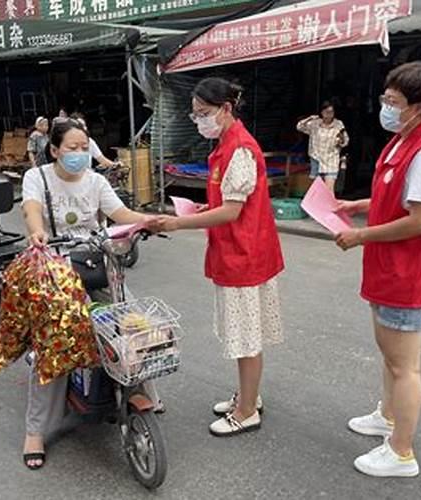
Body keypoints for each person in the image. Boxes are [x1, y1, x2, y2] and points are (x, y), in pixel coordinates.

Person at [334, 61, 421, 478]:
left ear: (418, 107)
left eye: (394, 101)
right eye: (385, 97)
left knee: (405, 366)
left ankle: (401, 451)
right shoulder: (401, 141)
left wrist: (361, 236)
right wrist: (357, 206)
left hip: (407, 274)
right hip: (387, 269)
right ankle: (387, 416)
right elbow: (393, 198)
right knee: (390, 356)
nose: (385, 106)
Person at [20, 119, 158, 469]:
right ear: (54, 150)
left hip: (99, 261)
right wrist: (37, 233)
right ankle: (35, 431)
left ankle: (141, 392)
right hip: (55, 266)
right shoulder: (37, 177)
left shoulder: (96, 181)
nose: (81, 154)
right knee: (56, 341)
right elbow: (31, 209)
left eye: (85, 148)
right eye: (73, 148)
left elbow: (120, 214)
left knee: (132, 323)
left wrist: (148, 221)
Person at [154, 78, 284, 437]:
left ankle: (246, 411)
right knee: (245, 335)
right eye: (194, 115)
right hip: (241, 251)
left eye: (204, 113)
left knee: (246, 337)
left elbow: (230, 212)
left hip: (245, 255)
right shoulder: (227, 143)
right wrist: (201, 207)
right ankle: (247, 396)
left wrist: (181, 222)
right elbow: (228, 203)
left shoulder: (239, 148)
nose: (199, 121)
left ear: (226, 109)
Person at [297, 100, 349, 191]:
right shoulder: (315, 123)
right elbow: (299, 127)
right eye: (326, 112)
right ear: (322, 112)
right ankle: (315, 205)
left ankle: (330, 205)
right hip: (316, 158)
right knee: (316, 190)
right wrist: (309, 118)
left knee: (329, 190)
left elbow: (346, 141)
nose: (329, 114)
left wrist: (341, 140)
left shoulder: (338, 124)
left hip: (331, 159)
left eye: (331, 112)